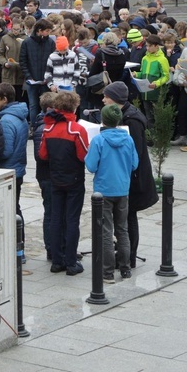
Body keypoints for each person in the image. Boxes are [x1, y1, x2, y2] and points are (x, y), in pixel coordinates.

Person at [102, 81, 158, 268]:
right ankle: (124, 255)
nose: (103, 99)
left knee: (128, 217)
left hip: (133, 177)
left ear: (115, 99)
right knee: (124, 218)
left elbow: (135, 152)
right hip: (126, 176)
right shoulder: (123, 114)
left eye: (106, 97)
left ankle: (129, 257)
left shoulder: (132, 120)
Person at [85, 104, 139, 283]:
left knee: (106, 232)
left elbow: (91, 166)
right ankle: (125, 269)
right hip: (123, 189)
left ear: (103, 120)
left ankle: (107, 272)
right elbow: (134, 164)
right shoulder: (128, 140)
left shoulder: (99, 141)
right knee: (122, 229)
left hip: (103, 191)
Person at [38, 91, 89, 276]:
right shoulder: (77, 129)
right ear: (74, 107)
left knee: (56, 219)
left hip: (55, 179)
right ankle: (70, 262)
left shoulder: (48, 129)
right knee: (72, 220)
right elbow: (84, 155)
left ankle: (57, 261)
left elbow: (42, 155)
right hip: (74, 180)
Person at [0, 83, 30, 258]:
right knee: (15, 209)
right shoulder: (19, 115)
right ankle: (19, 249)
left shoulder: (6, 120)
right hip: (18, 169)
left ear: (4, 99)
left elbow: (5, 150)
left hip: (8, 170)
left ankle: (17, 250)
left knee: (11, 211)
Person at [33, 92, 57, 261]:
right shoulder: (43, 127)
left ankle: (56, 246)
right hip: (47, 176)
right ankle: (51, 248)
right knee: (50, 211)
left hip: (50, 175)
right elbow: (39, 155)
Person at [20, 19, 55, 125]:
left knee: (47, 105)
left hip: (46, 80)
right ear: (40, 30)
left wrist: (49, 78)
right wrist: (29, 77)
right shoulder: (27, 42)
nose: (49, 33)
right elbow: (23, 61)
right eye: (47, 31)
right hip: (32, 80)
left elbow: (53, 61)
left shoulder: (50, 42)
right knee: (33, 105)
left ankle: (47, 125)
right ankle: (34, 126)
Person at [131, 35, 170, 130]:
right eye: (146, 46)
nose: (147, 48)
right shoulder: (145, 58)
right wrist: (136, 74)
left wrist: (156, 83)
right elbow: (143, 73)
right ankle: (151, 137)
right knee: (148, 116)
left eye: (149, 46)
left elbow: (166, 76)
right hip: (145, 92)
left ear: (156, 46)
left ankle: (157, 136)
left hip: (156, 92)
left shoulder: (162, 59)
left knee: (156, 116)